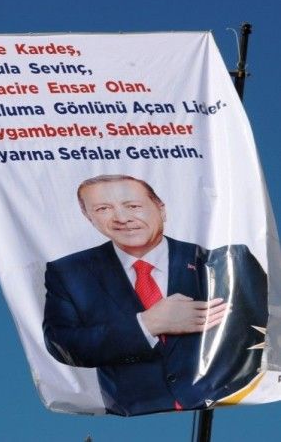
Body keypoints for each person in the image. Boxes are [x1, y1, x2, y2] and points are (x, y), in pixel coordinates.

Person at [42, 174, 268, 416]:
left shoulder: (226, 263)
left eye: (133, 206)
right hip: (136, 419)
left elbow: (269, 330)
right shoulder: (69, 273)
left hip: (234, 412)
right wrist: (147, 324)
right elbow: (63, 344)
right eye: (103, 209)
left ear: (161, 209)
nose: (122, 218)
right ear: (89, 217)